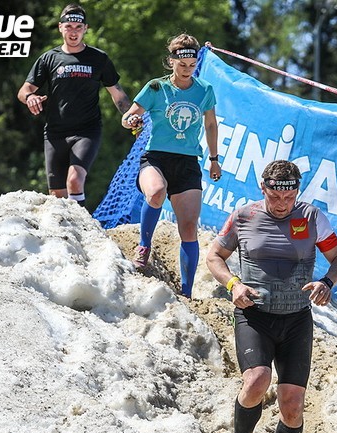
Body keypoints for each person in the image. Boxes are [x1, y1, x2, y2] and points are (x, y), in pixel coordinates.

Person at [205, 160, 337, 433]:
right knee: (256, 381)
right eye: (275, 196)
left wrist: (327, 283)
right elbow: (214, 256)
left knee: (292, 405)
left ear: (297, 191)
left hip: (296, 319)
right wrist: (233, 284)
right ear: (263, 188)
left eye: (289, 196)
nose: (283, 203)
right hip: (255, 315)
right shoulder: (244, 216)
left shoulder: (312, 217)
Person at [120, 33, 221, 298]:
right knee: (155, 192)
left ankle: (187, 292)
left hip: (188, 163)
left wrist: (214, 159)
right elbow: (129, 116)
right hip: (156, 158)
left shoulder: (205, 90)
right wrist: (131, 121)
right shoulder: (156, 87)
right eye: (182, 64)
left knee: (188, 227)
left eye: (192, 65)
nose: (188, 69)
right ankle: (144, 246)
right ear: (171, 61)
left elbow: (211, 124)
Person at [17, 4, 131, 206]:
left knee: (75, 180)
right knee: (57, 196)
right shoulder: (49, 58)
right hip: (55, 133)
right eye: (69, 26)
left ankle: (82, 225)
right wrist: (30, 97)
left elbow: (118, 95)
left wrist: (132, 118)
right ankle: (67, 227)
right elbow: (24, 90)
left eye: (78, 27)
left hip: (86, 131)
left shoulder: (99, 59)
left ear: (85, 28)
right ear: (60, 27)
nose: (73, 32)